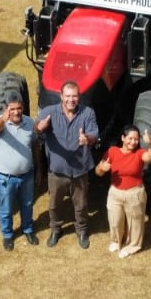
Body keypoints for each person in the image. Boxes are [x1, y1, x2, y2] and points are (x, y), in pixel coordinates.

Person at [35, 81, 98, 249]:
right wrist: (40, 127)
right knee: (54, 205)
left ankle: (82, 230)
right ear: (61, 96)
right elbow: (36, 127)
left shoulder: (87, 113)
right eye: (68, 96)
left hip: (80, 171)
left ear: (79, 97)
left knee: (81, 204)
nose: (71, 99)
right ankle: (56, 229)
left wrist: (87, 139)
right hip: (57, 171)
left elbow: (94, 134)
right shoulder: (49, 112)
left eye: (75, 96)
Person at [95, 124, 151, 259]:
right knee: (115, 220)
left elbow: (150, 157)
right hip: (115, 193)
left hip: (135, 193)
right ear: (123, 138)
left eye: (136, 139)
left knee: (135, 222)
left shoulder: (139, 153)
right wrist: (102, 169)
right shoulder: (112, 151)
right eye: (130, 138)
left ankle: (134, 245)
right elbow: (98, 171)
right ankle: (116, 241)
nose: (133, 142)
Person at [0, 91, 41, 251]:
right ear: (6, 109)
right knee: (6, 208)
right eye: (12, 109)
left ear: (23, 107)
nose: (16, 112)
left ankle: (28, 230)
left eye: (19, 108)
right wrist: (4, 119)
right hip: (6, 177)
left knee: (27, 205)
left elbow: (34, 146)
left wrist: (39, 169)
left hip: (27, 175)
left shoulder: (29, 122)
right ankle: (7, 235)